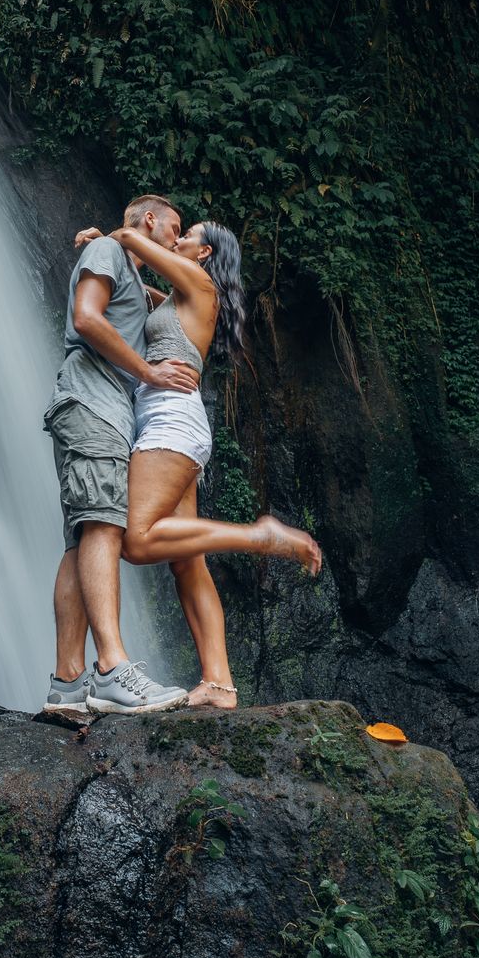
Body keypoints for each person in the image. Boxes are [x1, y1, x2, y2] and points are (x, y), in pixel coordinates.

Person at [73, 216, 322, 709]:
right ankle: (220, 683)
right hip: (174, 424)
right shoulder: (180, 299)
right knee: (187, 564)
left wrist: (112, 237)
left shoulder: (199, 282)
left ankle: (260, 536)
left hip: (169, 422)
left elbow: (131, 240)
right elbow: (138, 291)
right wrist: (109, 256)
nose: (179, 237)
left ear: (204, 253)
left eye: (188, 235)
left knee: (136, 541)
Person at [42, 194, 197, 717]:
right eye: (173, 230)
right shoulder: (108, 252)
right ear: (148, 220)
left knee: (84, 536)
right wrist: (149, 373)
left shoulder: (119, 262)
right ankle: (111, 668)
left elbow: (156, 296)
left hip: (92, 408)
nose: (176, 240)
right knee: (105, 527)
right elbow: (87, 318)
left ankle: (67, 684)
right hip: (94, 404)